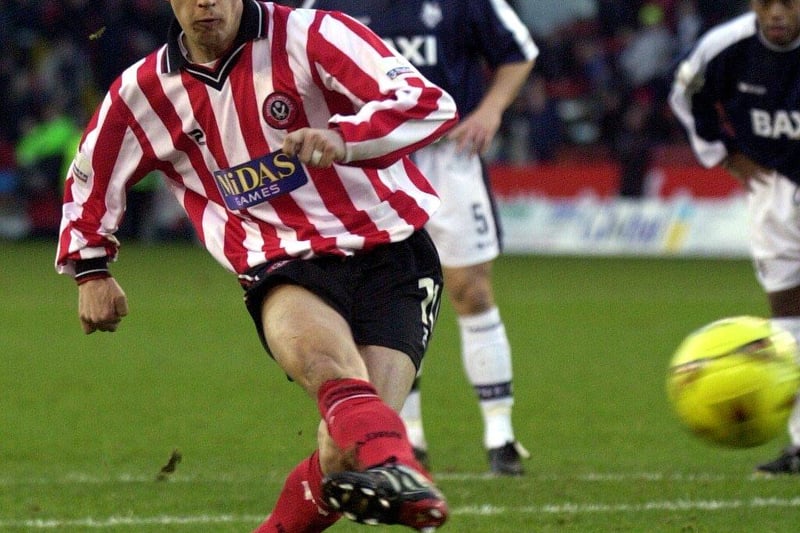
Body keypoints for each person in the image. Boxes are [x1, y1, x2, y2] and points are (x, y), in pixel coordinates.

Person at [55, 1, 460, 530]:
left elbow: (427, 103)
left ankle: (373, 470)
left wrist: (343, 139)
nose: (206, 3)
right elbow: (90, 178)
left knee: (345, 452)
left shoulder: (312, 34)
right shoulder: (144, 93)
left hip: (393, 251)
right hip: (281, 262)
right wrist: (92, 269)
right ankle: (401, 470)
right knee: (324, 366)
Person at [302, 0, 537, 475]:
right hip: (368, 165)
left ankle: (500, 435)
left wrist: (490, 111)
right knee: (385, 297)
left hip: (447, 156)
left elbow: (519, 51)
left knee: (471, 290)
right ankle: (407, 438)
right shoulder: (318, 8)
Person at [669, 0, 800, 474]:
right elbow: (685, 94)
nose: (777, 12)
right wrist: (722, 153)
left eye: (789, 2)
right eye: (767, 2)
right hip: (772, 186)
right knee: (786, 307)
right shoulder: (726, 46)